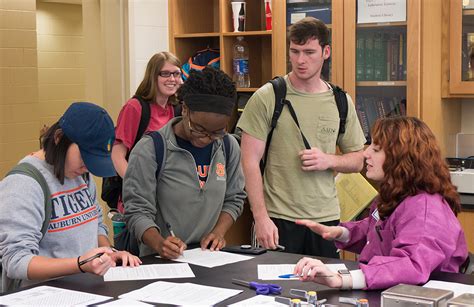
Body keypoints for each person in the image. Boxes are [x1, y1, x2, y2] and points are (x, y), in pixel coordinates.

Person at [237, 17, 366, 257]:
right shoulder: (268, 96)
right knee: (272, 293)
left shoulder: (340, 101)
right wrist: (261, 218)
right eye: (294, 52)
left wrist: (329, 160)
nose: (300, 60)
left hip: (327, 220)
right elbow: (249, 162)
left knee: (327, 292)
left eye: (309, 52)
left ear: (326, 52)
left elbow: (359, 159)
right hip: (278, 219)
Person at [294, 117, 468, 290]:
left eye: (376, 149)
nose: (365, 153)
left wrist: (342, 279)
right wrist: (341, 232)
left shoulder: (424, 209)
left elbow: (411, 265)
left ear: (401, 158)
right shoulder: (397, 194)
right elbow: (378, 230)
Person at [0, 102, 141, 292]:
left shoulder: (80, 174)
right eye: (85, 158)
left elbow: (96, 224)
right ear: (59, 138)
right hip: (47, 295)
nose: (87, 167)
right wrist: (79, 264)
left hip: (87, 289)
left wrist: (108, 252)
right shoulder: (23, 184)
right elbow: (16, 261)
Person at [123, 67, 246, 259]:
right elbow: (136, 210)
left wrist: (219, 232)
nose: (206, 139)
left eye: (217, 131)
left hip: (209, 258)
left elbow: (235, 198)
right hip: (161, 262)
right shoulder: (151, 149)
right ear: (185, 109)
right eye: (199, 129)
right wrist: (159, 243)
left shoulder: (229, 146)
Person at [111, 51, 183, 213]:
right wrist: (137, 185)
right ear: (153, 76)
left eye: (176, 74)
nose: (172, 79)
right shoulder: (135, 108)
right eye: (165, 74)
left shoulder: (177, 109)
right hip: (139, 195)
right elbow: (117, 155)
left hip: (167, 196)